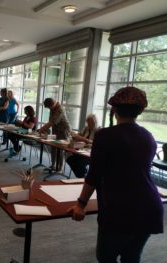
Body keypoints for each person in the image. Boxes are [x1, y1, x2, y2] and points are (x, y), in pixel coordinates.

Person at [67, 86, 164, 263]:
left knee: (106, 257)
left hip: (120, 209)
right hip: (150, 207)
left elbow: (94, 175)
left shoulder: (105, 135)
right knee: (132, 257)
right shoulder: (148, 136)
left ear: (114, 110)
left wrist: (81, 204)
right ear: (140, 111)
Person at [39, 98, 71, 172]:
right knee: (53, 148)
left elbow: (52, 122)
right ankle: (53, 165)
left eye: (49, 107)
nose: (49, 109)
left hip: (64, 131)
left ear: (53, 104)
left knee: (60, 149)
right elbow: (50, 121)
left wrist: (42, 129)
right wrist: (43, 129)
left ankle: (60, 168)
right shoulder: (52, 108)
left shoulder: (60, 110)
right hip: (56, 130)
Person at [66, 114, 100, 178]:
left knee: (79, 163)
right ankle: (82, 175)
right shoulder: (86, 128)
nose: (89, 124)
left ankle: (82, 177)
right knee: (69, 159)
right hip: (81, 152)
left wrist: (83, 139)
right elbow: (80, 136)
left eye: (90, 123)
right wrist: (75, 135)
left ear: (95, 122)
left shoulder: (98, 130)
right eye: (88, 122)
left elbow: (96, 143)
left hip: (90, 155)